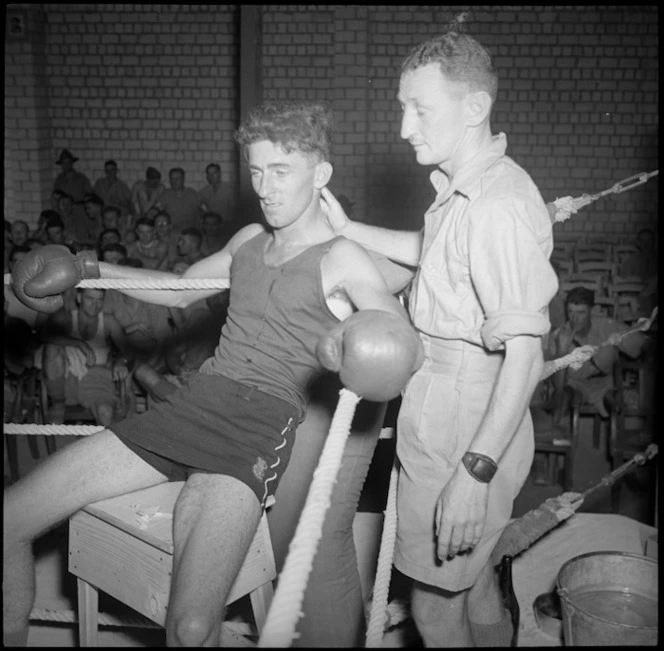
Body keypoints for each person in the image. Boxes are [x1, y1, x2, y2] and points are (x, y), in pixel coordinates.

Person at [5, 99, 421, 647]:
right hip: (193, 405)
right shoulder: (248, 239)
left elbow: (398, 337)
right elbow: (179, 287)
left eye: (280, 171)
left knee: (192, 626)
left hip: (255, 430)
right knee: (9, 522)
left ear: (320, 174)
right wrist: (88, 268)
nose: (266, 187)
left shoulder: (342, 256)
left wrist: (371, 342)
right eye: (255, 171)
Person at [320, 28, 558, 647]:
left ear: (474, 107)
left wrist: (472, 475)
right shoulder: (464, 191)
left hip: (464, 417)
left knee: (431, 609)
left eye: (419, 109)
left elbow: (526, 357)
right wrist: (349, 228)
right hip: (451, 401)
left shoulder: (494, 204)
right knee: (472, 582)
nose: (404, 127)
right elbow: (434, 256)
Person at [546, 286, 647, 425]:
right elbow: (557, 385)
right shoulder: (558, 336)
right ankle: (558, 440)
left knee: (629, 401)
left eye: (581, 312)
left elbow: (644, 346)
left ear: (591, 312)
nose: (574, 318)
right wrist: (562, 351)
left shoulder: (608, 326)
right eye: (570, 312)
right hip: (573, 385)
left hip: (605, 384)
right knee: (562, 400)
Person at [40, 287, 130, 427]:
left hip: (97, 380)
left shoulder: (108, 321)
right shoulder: (67, 317)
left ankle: (106, 447)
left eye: (99, 300)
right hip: (67, 380)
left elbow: (129, 349)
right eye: (90, 299)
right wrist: (78, 343)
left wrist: (120, 360)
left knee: (105, 412)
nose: (95, 305)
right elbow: (44, 335)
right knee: (51, 349)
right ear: (79, 298)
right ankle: (58, 405)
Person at [53, 149, 93, 241]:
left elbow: (89, 195)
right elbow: (56, 196)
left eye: (68, 163)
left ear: (72, 163)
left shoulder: (81, 178)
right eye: (64, 163)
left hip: (79, 209)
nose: (66, 165)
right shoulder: (59, 179)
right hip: (64, 211)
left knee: (81, 230)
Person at [156, 167, 204, 233]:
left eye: (178, 178)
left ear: (183, 179)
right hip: (171, 232)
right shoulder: (165, 195)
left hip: (189, 231)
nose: (175, 181)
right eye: (172, 179)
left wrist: (196, 231)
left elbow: (198, 214)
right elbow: (158, 213)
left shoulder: (192, 193)